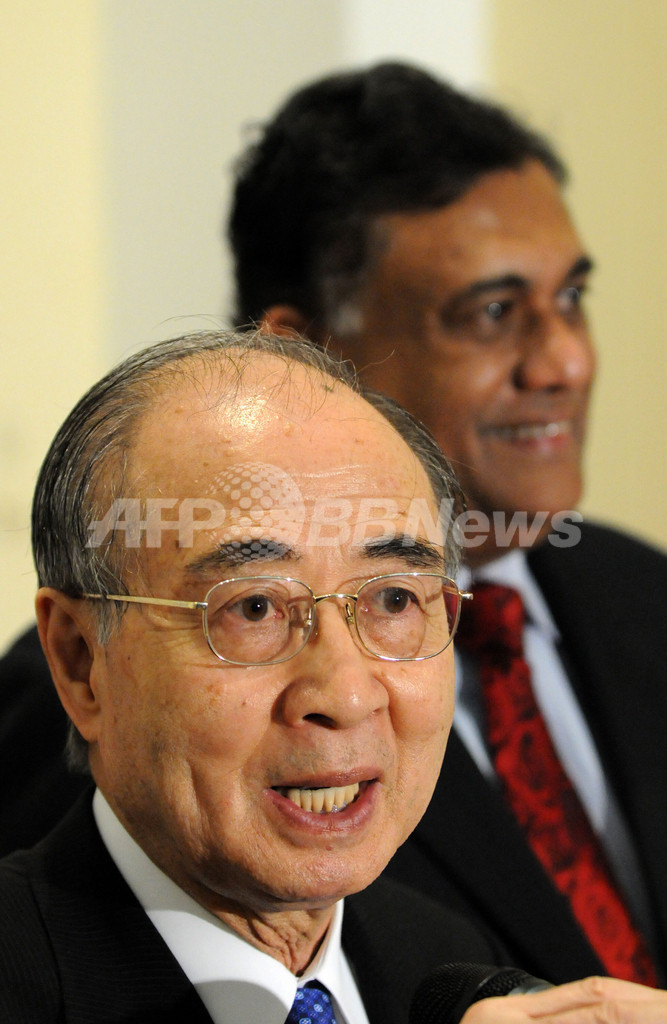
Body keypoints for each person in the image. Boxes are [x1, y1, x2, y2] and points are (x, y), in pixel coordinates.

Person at [3, 328, 666, 1024]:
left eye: (394, 600)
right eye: (254, 608)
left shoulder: (439, 959)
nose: (346, 695)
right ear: (80, 662)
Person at [227, 62, 667, 985]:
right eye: (493, 313)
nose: (563, 362)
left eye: (570, 299)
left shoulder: (643, 594)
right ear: (307, 356)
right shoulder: (151, 680)